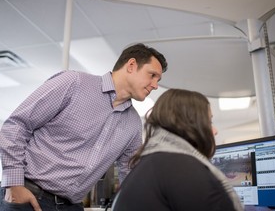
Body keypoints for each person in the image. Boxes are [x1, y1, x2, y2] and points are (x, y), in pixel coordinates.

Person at [0, 43, 168, 211]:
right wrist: (13, 184)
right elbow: (17, 125)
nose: (155, 85)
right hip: (28, 196)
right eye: (152, 75)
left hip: (72, 206)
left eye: (158, 80)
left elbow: (131, 173)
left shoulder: (133, 123)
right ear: (131, 65)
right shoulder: (74, 83)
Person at [111, 89, 244, 211]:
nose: (215, 131)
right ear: (192, 125)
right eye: (209, 122)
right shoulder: (184, 168)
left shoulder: (151, 162)